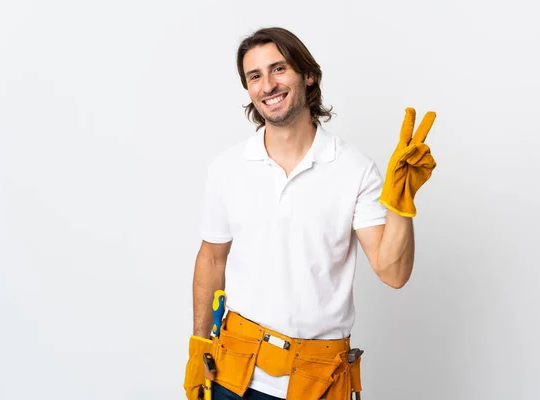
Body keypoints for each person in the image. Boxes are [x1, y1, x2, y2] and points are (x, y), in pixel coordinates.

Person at [184, 27, 437, 400]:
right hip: (233, 375)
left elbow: (393, 272)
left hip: (319, 382)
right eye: (255, 76)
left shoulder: (354, 169)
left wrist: (401, 203)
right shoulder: (228, 168)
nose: (267, 84)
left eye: (279, 69)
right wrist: (199, 343)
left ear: (308, 75)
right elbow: (211, 258)